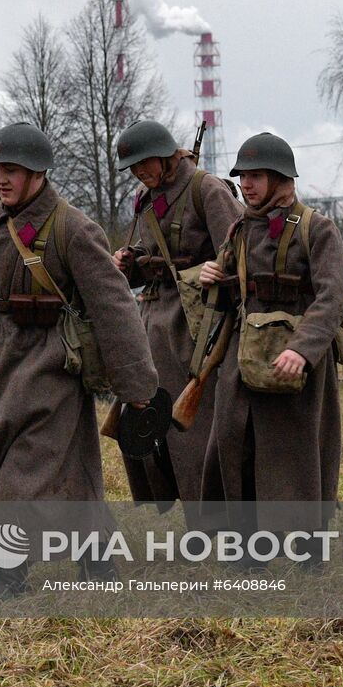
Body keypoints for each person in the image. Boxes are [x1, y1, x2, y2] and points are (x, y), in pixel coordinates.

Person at [0, 122, 158, 598]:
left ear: (38, 173)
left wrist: (138, 387)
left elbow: (114, 307)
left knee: (25, 468)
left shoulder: (73, 227)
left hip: (55, 361)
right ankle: (100, 566)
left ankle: (7, 576)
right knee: (67, 469)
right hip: (1, 358)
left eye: (12, 170)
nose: (1, 179)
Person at [195, 133, 343, 546]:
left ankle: (308, 543)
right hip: (243, 356)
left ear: (282, 179)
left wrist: (302, 349)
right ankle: (246, 543)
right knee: (233, 443)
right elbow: (236, 293)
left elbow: (332, 297)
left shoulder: (319, 229)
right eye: (243, 176)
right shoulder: (240, 228)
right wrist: (213, 278)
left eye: (257, 175)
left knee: (298, 453)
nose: (246, 184)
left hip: (297, 361)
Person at [109, 120, 242, 516]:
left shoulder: (206, 190)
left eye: (143, 164)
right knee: (144, 424)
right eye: (133, 168)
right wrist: (125, 263)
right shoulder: (144, 198)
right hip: (151, 322)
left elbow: (239, 254)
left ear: (166, 155)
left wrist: (215, 272)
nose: (139, 173)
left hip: (195, 325)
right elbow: (145, 257)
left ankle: (213, 517)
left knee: (193, 431)